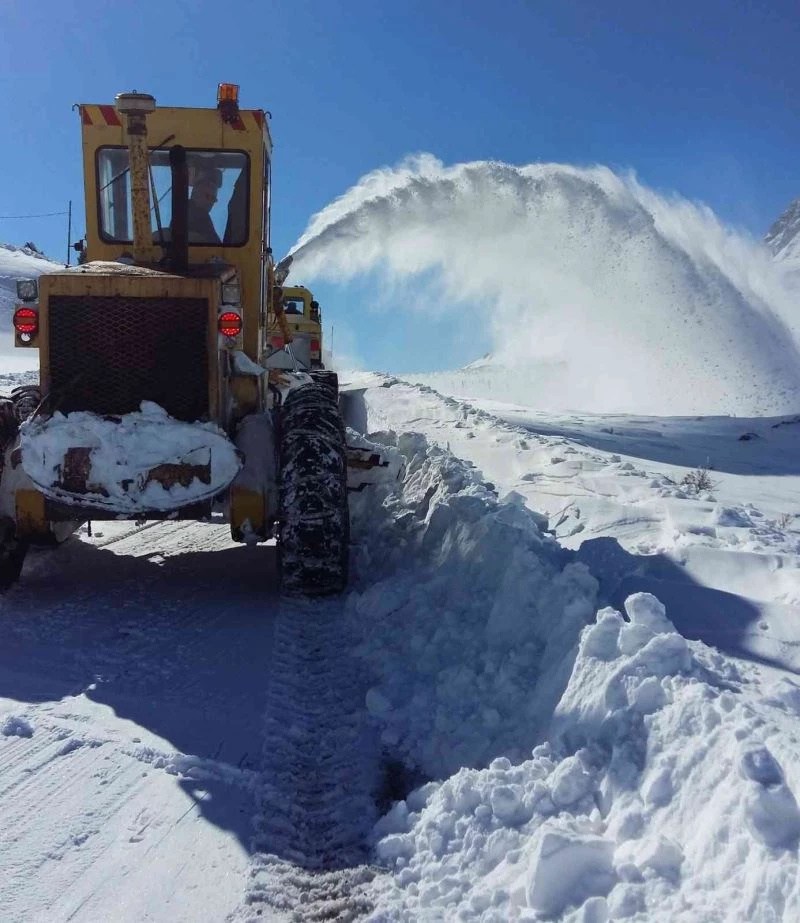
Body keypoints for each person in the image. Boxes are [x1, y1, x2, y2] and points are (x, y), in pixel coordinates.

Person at [187, 168, 223, 244]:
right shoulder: (198, 216)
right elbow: (216, 247)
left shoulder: (181, 210)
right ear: (196, 194)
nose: (211, 203)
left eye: (214, 199)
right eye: (208, 197)